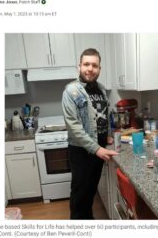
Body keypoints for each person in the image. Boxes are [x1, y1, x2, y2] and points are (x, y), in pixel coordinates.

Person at [62, 48, 118, 220]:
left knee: (90, 192)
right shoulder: (71, 91)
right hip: (82, 152)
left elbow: (106, 113)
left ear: (99, 69)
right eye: (86, 64)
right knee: (80, 196)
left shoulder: (101, 89)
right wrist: (97, 149)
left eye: (94, 65)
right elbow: (73, 126)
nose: (90, 69)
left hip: (98, 149)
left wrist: (108, 135)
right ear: (79, 66)